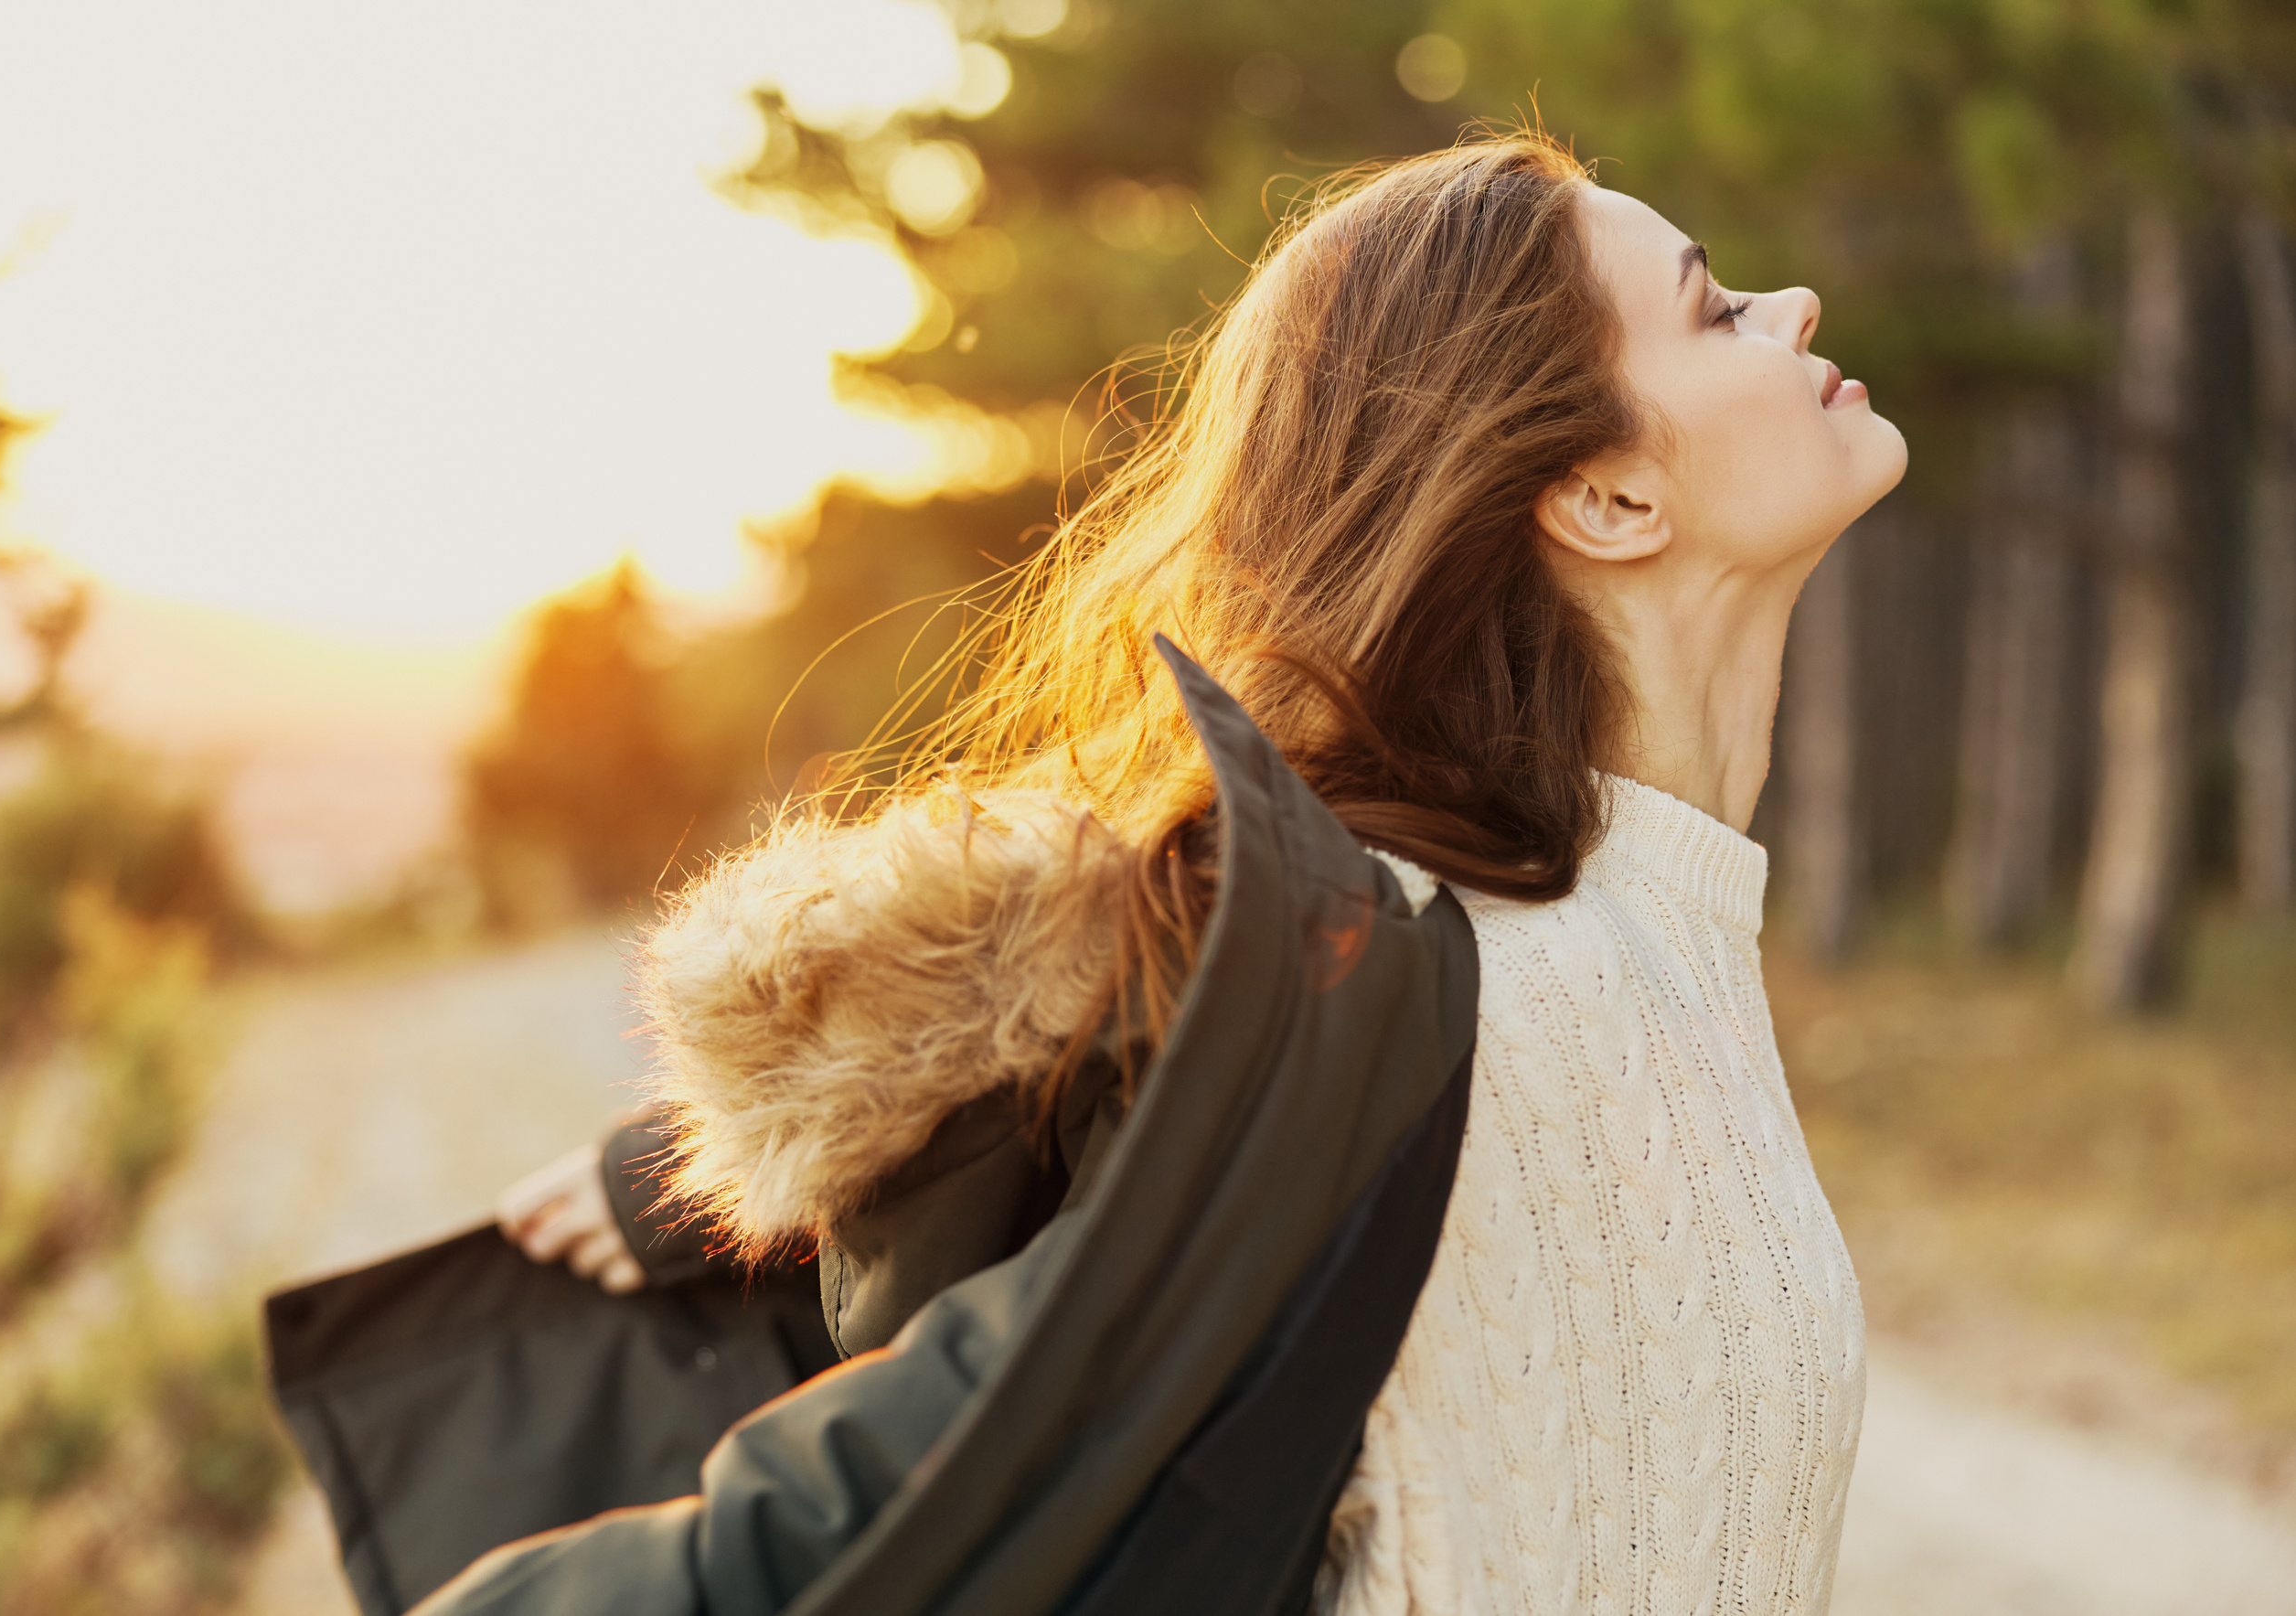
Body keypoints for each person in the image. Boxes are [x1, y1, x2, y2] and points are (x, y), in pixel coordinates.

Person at [490, 129, 1904, 1614]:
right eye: (1715, 310)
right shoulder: (1413, 997)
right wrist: (694, 1195)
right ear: (1605, 498)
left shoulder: (1646, 943)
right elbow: (905, 1495)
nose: (1794, 304)